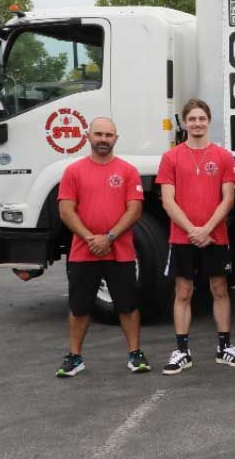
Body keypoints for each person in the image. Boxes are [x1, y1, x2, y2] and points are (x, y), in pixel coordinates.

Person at [55, 117, 149, 377]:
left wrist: (108, 237)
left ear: (116, 139)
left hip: (121, 251)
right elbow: (66, 210)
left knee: (127, 305)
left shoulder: (128, 171)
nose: (103, 139)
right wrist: (90, 238)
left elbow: (135, 209)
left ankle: (135, 354)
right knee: (79, 307)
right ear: (88, 136)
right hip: (83, 252)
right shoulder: (73, 171)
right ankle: (75, 357)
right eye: (98, 134)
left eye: (108, 135)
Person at [156, 99, 235, 375]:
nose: (196, 123)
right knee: (183, 292)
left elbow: (228, 198)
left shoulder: (222, 156)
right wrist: (192, 230)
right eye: (191, 119)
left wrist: (207, 229)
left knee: (219, 289)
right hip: (183, 238)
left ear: (208, 121)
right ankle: (182, 351)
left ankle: (224, 347)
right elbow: (168, 201)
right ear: (183, 122)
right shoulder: (171, 157)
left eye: (201, 118)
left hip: (214, 237)